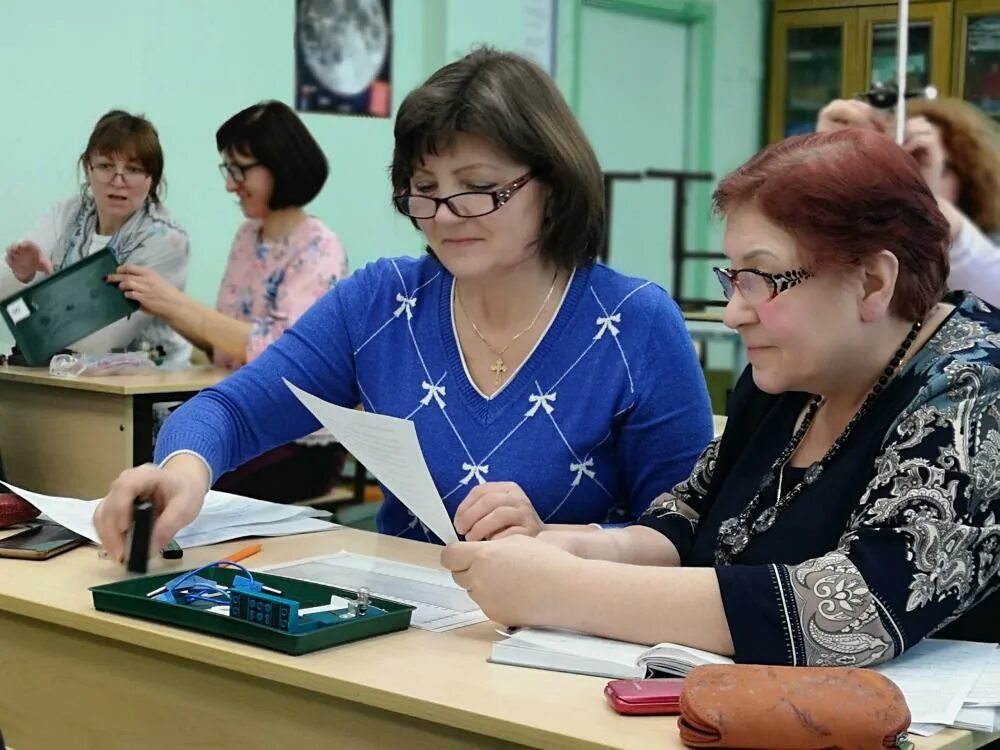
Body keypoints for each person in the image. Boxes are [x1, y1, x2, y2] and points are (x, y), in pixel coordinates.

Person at [93, 48, 713, 560]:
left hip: (563, 655)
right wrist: (182, 471)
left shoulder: (635, 322)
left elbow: (686, 538)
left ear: (551, 185)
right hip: (408, 638)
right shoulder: (383, 301)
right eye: (424, 190)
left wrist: (557, 542)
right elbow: (230, 410)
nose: (445, 215)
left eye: (478, 189)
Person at [442, 129, 999, 666]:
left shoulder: (973, 390)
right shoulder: (789, 379)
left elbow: (852, 613)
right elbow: (686, 519)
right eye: (732, 279)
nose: (734, 313)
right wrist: (561, 547)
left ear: (874, 282)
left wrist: (563, 591)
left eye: (761, 278)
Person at [106, 101, 349, 502]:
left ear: (279, 165)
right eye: (228, 170)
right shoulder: (246, 237)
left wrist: (176, 303)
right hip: (241, 419)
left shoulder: (318, 247)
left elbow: (281, 354)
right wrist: (163, 305)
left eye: (239, 169)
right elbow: (223, 341)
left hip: (296, 440)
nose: (230, 184)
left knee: (177, 486)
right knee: (147, 460)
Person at [2, 110, 190, 364]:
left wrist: (34, 291)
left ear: (152, 179)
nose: (118, 181)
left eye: (133, 169)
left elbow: (102, 340)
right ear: (87, 170)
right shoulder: (68, 213)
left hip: (147, 387)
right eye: (105, 166)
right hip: (65, 376)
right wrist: (21, 275)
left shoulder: (166, 240)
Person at [817, 96, 1000, 306]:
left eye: (921, 158)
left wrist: (922, 200)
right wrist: (827, 157)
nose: (907, 175)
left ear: (969, 178)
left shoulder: (984, 250)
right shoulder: (859, 249)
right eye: (899, 160)